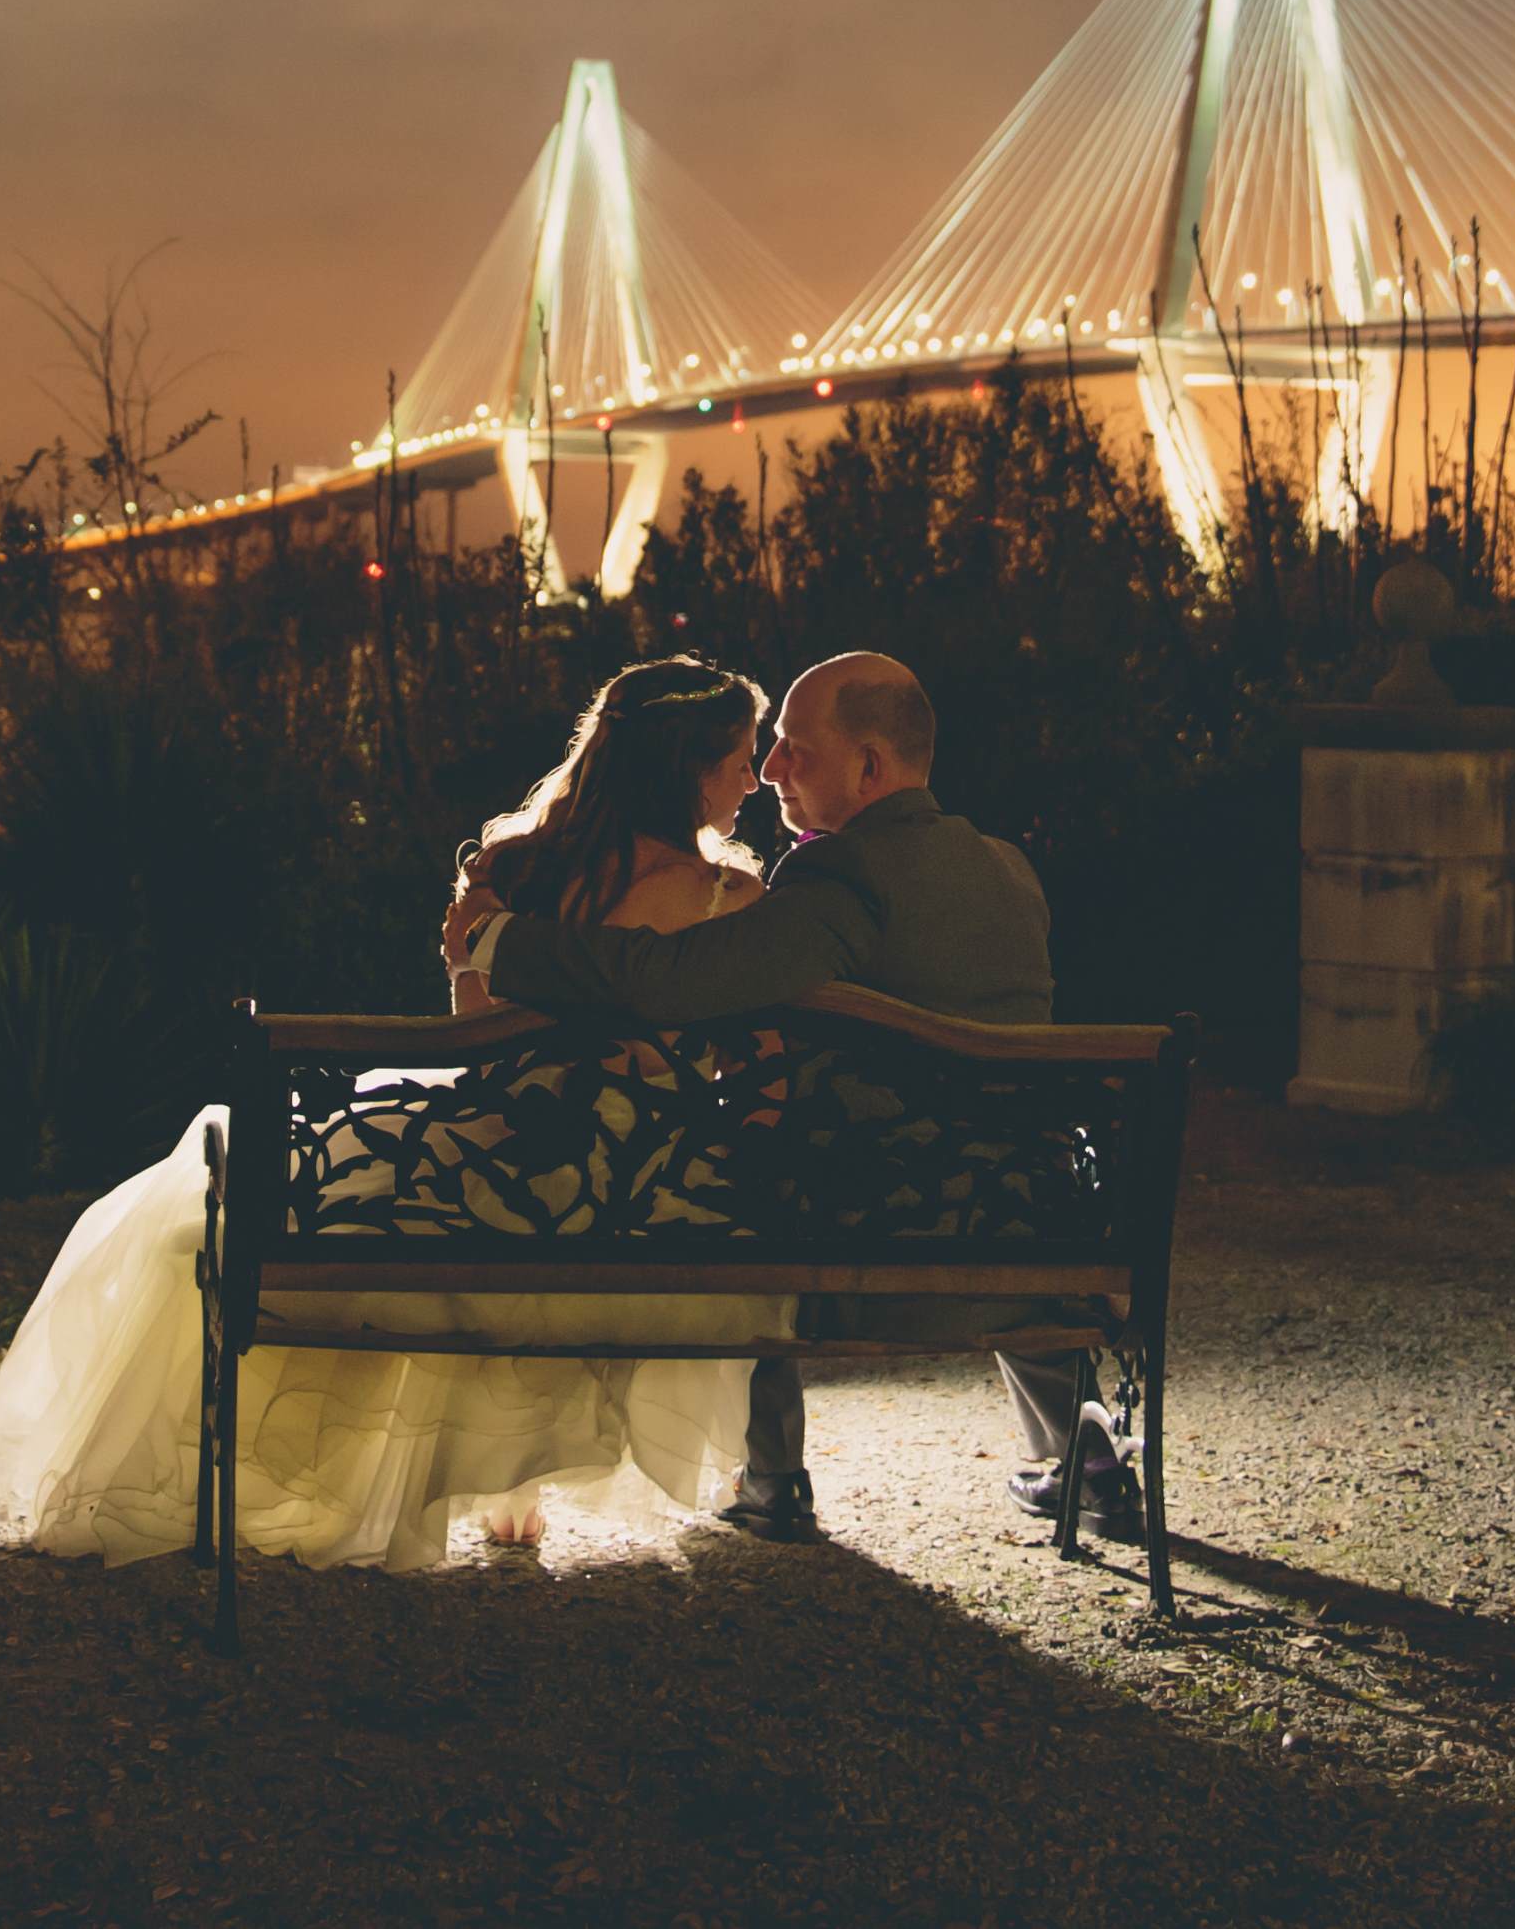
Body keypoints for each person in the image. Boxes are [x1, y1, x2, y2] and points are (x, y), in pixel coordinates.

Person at [0, 658, 796, 1574]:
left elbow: (476, 1036)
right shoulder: (731, 898)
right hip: (644, 1181)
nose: (753, 777)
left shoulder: (514, 872)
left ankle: (485, 1480)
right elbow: (747, 1061)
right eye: (740, 756)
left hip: (502, 1140)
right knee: (578, 1214)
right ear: (685, 766)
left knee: (446, 1207)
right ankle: (514, 1477)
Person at [447, 650, 1136, 1548]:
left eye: (793, 750)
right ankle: (1078, 1451)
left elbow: (679, 978)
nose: (770, 769)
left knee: (741, 1164)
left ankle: (771, 1477)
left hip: (874, 1231)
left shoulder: (839, 881)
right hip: (1031, 1221)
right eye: (765, 749)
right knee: (978, 1148)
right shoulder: (1005, 868)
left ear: (869, 769)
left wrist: (502, 941)